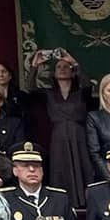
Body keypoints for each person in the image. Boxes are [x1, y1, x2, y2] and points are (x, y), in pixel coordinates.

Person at [27, 50, 93, 196]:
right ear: (54, 73)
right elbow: (30, 89)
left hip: (79, 136)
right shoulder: (49, 94)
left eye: (66, 66)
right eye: (59, 67)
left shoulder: (81, 93)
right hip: (59, 137)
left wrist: (74, 62)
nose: (62, 69)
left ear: (73, 71)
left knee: (83, 168)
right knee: (59, 170)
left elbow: (88, 85)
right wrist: (34, 66)